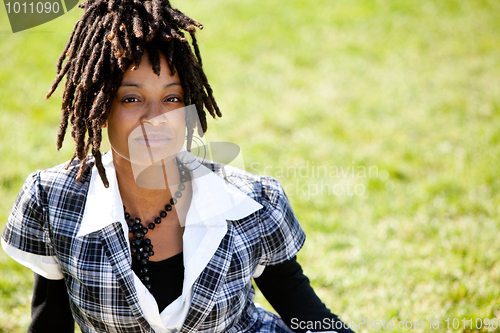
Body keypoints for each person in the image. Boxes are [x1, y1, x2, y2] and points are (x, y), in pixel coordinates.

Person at [1, 0, 355, 332]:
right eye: (132, 98)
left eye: (172, 98)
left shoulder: (252, 202)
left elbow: (310, 319)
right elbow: (49, 324)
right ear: (101, 106)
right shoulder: (53, 201)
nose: (155, 118)